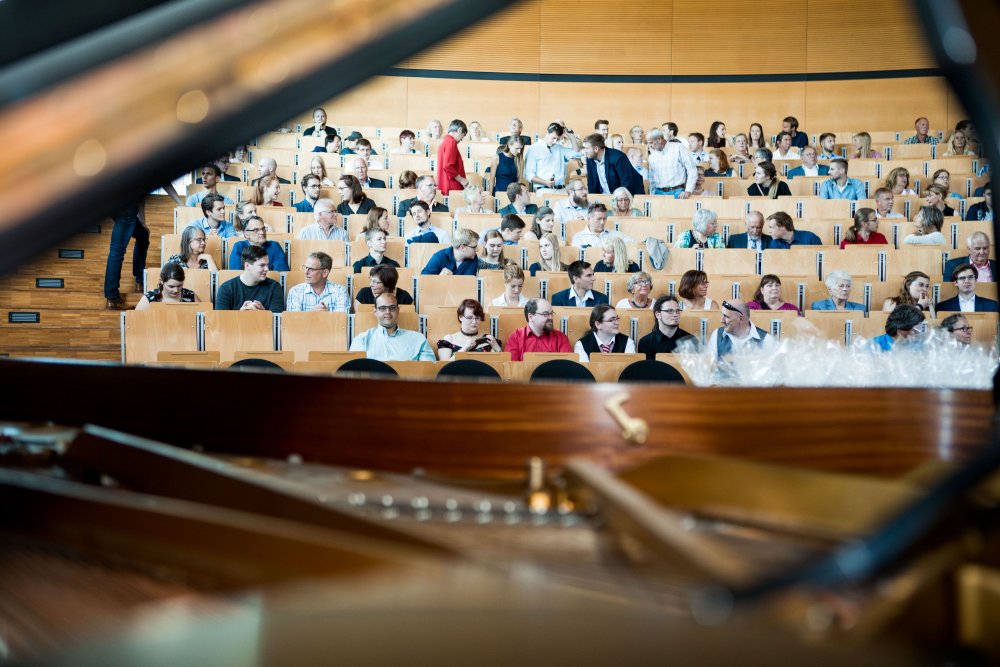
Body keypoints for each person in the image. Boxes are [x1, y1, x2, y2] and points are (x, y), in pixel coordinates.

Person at [349, 292, 435, 361]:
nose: (388, 312)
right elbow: (355, 372)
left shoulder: (418, 339)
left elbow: (428, 372)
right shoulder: (362, 339)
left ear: (398, 310)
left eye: (392, 307)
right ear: (375, 311)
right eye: (382, 308)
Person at [216, 245, 284, 313]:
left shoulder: (274, 287)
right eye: (262, 265)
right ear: (247, 265)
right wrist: (239, 315)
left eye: (267, 265)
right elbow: (221, 321)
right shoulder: (226, 289)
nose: (267, 269)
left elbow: (277, 321)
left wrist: (264, 314)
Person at [505, 298, 572, 361]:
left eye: (551, 313)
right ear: (530, 317)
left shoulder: (561, 338)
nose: (550, 317)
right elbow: (512, 368)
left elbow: (567, 367)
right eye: (545, 314)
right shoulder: (516, 338)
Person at [524, 121, 581, 191]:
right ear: (547, 132)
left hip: (561, 189)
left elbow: (577, 154)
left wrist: (571, 136)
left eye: (557, 139)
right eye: (553, 138)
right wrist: (545, 182)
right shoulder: (533, 149)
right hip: (543, 189)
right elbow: (529, 175)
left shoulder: (559, 148)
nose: (555, 141)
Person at [437, 299, 502, 360]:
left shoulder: (488, 340)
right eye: (469, 317)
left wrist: (498, 349)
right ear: (460, 317)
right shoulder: (449, 339)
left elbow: (499, 366)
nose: (474, 322)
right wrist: (464, 349)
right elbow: (443, 366)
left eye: (477, 318)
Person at [707, 299, 772, 361]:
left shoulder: (766, 340)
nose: (722, 320)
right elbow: (710, 368)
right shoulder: (717, 334)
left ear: (740, 318)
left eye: (726, 316)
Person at [646, 128, 698, 197]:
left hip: (678, 193)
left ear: (659, 140)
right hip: (658, 193)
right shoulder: (652, 156)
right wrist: (652, 195)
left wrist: (688, 190)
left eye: (651, 142)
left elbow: (692, 169)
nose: (649, 146)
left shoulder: (678, 148)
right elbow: (651, 178)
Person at [134, 263, 199, 311]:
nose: (176, 290)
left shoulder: (191, 296)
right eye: (171, 286)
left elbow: (204, 320)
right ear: (161, 281)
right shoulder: (150, 298)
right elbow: (136, 322)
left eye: (179, 286)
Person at [436, 119, 468, 195]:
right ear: (459, 130)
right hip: (452, 187)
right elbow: (447, 166)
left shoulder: (445, 141)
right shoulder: (451, 141)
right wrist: (461, 180)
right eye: (463, 135)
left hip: (446, 185)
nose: (461, 139)